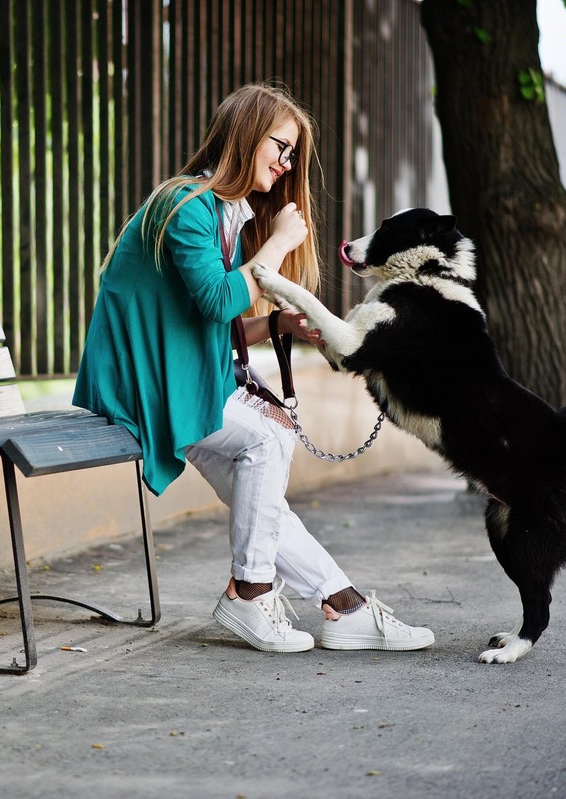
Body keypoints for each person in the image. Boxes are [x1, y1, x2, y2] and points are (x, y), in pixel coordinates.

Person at [72, 83, 434, 654]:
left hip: (179, 382)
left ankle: (345, 607)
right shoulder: (186, 205)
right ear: (245, 136)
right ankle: (249, 594)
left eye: (292, 154)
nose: (286, 163)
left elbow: (212, 323)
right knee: (268, 438)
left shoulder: (220, 214)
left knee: (263, 494)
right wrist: (280, 243)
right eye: (280, 146)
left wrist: (279, 328)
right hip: (144, 388)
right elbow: (219, 302)